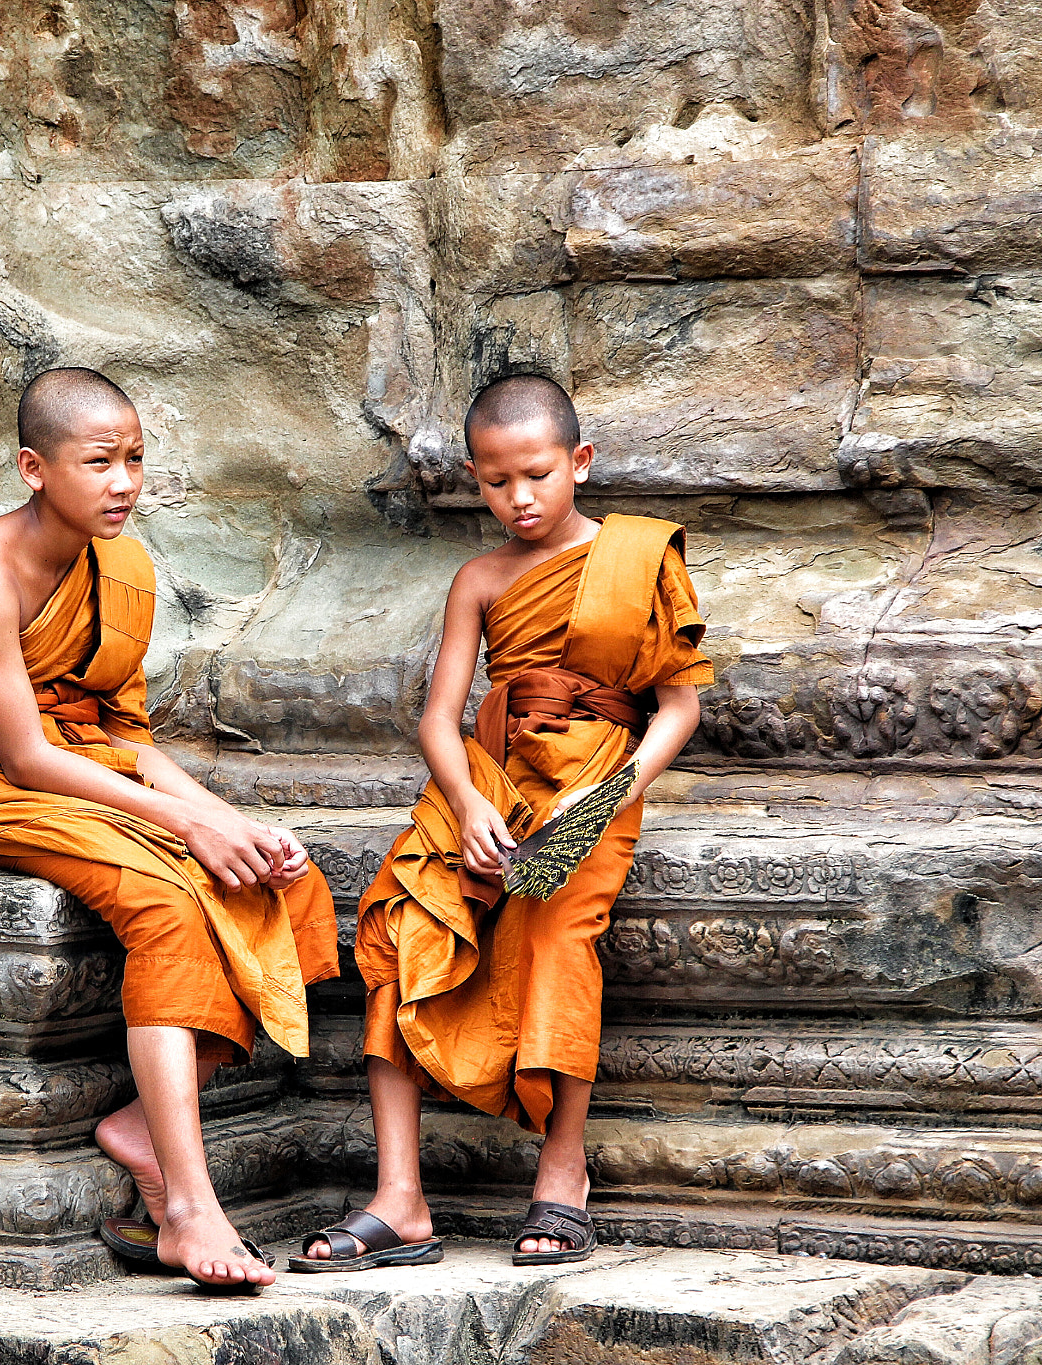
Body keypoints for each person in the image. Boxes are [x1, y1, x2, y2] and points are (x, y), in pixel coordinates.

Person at [0, 367, 339, 1292]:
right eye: (100, 462)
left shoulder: (123, 565)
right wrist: (183, 828)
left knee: (290, 876)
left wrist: (227, 818)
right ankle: (190, 1204)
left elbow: (124, 737)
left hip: (83, 761)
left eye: (135, 460)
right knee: (169, 900)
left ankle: (136, 1124)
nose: (124, 482)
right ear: (33, 468)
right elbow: (26, 756)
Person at [294, 373, 711, 1272]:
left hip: (597, 779)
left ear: (580, 462)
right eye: (494, 480)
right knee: (399, 922)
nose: (517, 498)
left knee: (560, 932)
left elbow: (678, 704)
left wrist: (611, 789)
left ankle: (564, 1172)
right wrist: (472, 802)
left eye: (536, 473)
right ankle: (400, 1198)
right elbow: (438, 719)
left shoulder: (637, 556)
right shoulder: (479, 578)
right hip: (488, 776)